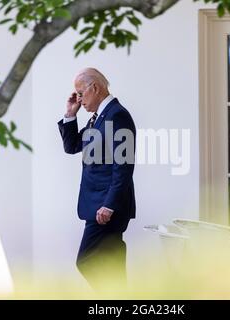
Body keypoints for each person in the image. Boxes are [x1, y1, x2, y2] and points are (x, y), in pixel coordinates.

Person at [57, 68, 136, 291]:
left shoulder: (117, 115)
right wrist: (70, 114)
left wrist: (109, 205)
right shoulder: (98, 118)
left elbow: (123, 167)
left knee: (86, 260)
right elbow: (72, 146)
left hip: (106, 207)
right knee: (111, 262)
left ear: (95, 88)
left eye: (81, 94)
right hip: (99, 205)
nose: (79, 100)